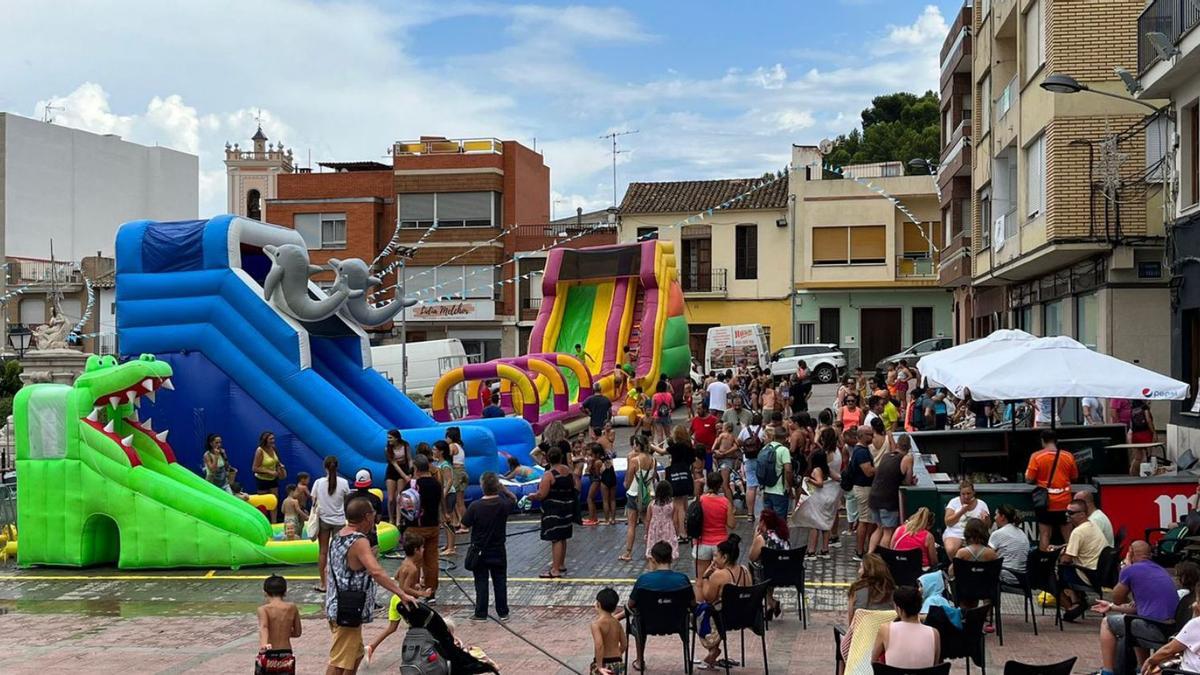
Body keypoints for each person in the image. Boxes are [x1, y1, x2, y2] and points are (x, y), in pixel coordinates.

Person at [325, 497, 418, 675]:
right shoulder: (359, 541)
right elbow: (376, 572)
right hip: (348, 609)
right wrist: (402, 594)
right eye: (374, 515)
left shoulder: (338, 537)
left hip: (337, 604)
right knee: (340, 661)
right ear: (367, 516)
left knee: (356, 654)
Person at [1095, 540, 1181, 675]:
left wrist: (1124, 567)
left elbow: (1117, 598)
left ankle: (1107, 671)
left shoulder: (1130, 569)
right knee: (1135, 622)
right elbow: (1139, 609)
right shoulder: (1160, 570)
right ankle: (1141, 669)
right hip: (1169, 627)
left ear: (1130, 552)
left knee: (1107, 623)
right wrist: (1111, 608)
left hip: (1154, 628)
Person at [365, 531, 433, 665]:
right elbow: (405, 589)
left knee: (392, 628)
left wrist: (415, 585)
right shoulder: (413, 568)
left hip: (394, 599)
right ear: (416, 550)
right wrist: (422, 593)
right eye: (422, 548)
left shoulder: (404, 563)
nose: (424, 550)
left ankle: (371, 647)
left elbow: (397, 577)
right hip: (404, 601)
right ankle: (417, 654)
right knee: (420, 627)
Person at [625, 542, 691, 671]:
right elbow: (692, 603)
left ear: (653, 560)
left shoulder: (643, 580)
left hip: (647, 624)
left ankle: (639, 661)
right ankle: (687, 657)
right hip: (677, 623)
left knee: (638, 620)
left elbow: (630, 605)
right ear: (671, 558)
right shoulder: (683, 579)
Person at [463, 471, 515, 622]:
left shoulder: (475, 506)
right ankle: (503, 612)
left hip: (480, 550)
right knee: (500, 581)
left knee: (481, 582)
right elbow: (513, 499)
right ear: (497, 486)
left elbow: (464, 523)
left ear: (482, 486)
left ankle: (481, 612)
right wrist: (505, 490)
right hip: (498, 549)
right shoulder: (503, 504)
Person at [697, 534, 751, 670]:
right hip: (744, 616)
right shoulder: (745, 571)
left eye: (716, 556)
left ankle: (712, 649)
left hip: (724, 618)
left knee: (701, 610)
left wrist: (705, 577)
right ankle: (713, 653)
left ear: (725, 557)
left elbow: (707, 597)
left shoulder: (719, 575)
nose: (713, 559)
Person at [1025, 430, 1079, 549]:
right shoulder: (1068, 456)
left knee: (1045, 535)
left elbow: (1029, 479)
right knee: (1068, 536)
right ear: (1056, 441)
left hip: (1045, 503)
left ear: (1042, 441)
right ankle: (1070, 563)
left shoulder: (1036, 456)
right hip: (1065, 502)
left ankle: (1044, 562)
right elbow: (1074, 477)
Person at [794, 428, 841, 558]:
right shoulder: (828, 467)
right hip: (829, 497)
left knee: (814, 525)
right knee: (825, 524)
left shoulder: (816, 470)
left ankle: (811, 551)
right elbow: (837, 477)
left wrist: (809, 480)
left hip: (818, 499)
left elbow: (819, 483)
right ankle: (825, 550)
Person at [1059, 498, 1109, 621]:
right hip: (1098, 573)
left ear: (1082, 514)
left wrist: (1060, 554)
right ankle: (1078, 599)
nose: (1067, 515)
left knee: (1054, 574)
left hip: (1087, 575)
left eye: (1071, 513)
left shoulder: (1078, 532)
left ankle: (1072, 607)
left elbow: (1066, 559)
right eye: (1067, 511)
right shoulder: (1092, 526)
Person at [535, 445, 580, 578]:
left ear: (548, 459)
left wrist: (533, 496)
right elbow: (577, 485)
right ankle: (560, 564)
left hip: (554, 510)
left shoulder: (549, 475)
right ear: (561, 457)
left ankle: (554, 569)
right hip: (567, 508)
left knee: (556, 539)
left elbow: (542, 494)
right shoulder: (568, 471)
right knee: (563, 536)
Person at [867, 433, 914, 554]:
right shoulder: (907, 458)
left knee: (879, 528)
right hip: (888, 499)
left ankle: (869, 554)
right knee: (888, 531)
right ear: (908, 447)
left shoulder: (886, 456)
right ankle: (883, 558)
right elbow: (908, 481)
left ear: (897, 444)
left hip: (874, 496)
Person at [311, 456, 351, 594]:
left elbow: (313, 500)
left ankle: (324, 583)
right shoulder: (344, 483)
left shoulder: (318, 483)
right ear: (337, 467)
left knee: (323, 551)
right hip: (339, 521)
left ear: (325, 467)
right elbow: (347, 500)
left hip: (324, 520)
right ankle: (339, 582)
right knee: (339, 553)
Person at [872, 585, 939, 668]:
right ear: (920, 607)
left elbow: (873, 662)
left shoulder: (886, 629)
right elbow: (935, 666)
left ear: (898, 609)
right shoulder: (934, 633)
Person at [408, 454, 443, 603]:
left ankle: (414, 592)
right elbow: (440, 502)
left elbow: (404, 503)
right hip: (433, 525)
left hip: (416, 526)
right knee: (431, 560)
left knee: (414, 561)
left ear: (416, 468)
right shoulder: (436, 484)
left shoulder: (414, 485)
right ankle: (431, 592)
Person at [620, 435, 658, 562]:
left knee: (632, 525)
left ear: (638, 445)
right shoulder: (653, 460)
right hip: (649, 494)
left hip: (634, 494)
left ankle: (628, 552)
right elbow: (652, 479)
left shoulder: (634, 461)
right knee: (648, 523)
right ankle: (650, 551)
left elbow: (628, 481)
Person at [654, 425, 695, 539]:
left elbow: (661, 452)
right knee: (685, 502)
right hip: (686, 475)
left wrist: (651, 446)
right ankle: (687, 528)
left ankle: (682, 532)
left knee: (678, 505)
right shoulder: (689, 447)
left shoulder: (677, 446)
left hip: (676, 476)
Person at [1141, 594, 1200, 674]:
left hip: (1187, 671)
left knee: (1154, 669)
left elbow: (1168, 650)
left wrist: (1149, 661)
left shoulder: (1196, 624)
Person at [749, 508, 790, 619]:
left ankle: (771, 603)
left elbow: (751, 557)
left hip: (768, 575)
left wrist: (755, 538)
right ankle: (770, 604)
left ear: (762, 523)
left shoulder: (762, 539)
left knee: (754, 567)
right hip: (787, 575)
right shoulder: (783, 536)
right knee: (769, 569)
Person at [694, 471, 735, 580]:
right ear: (720, 485)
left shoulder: (701, 500)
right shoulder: (725, 502)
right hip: (720, 543)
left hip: (702, 543)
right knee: (721, 578)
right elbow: (731, 524)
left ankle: (701, 597)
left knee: (700, 579)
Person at [257, 574, 301, 675]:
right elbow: (297, 633)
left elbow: (264, 627)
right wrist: (284, 632)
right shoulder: (292, 607)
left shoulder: (263, 609)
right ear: (285, 592)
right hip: (286, 653)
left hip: (269, 652)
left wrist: (264, 644)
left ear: (265, 592)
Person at [848, 425, 877, 561]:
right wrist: (881, 468)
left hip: (863, 488)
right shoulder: (861, 452)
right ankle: (860, 551)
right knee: (864, 521)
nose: (872, 437)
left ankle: (864, 548)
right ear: (861, 436)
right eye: (869, 435)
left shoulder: (862, 450)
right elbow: (868, 471)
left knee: (866, 520)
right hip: (863, 489)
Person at [942, 479, 991, 558]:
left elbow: (988, 526)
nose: (966, 496)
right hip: (955, 533)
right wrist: (961, 512)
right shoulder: (953, 502)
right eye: (963, 494)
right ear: (960, 494)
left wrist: (985, 520)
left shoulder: (982, 504)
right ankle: (956, 566)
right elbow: (948, 522)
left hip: (974, 535)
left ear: (973, 492)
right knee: (951, 549)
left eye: (968, 493)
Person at [847, 553, 897, 625]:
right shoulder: (893, 590)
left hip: (862, 635)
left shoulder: (856, 589)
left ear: (868, 571)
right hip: (887, 635)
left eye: (861, 567)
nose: (858, 571)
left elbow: (851, 622)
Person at [989, 505, 1031, 585]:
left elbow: (986, 556)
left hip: (1007, 577)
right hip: (1022, 578)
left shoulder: (998, 533)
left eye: (996, 514)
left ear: (1002, 517)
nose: (994, 518)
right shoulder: (1022, 533)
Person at [591, 588, 628, 675]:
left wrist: (599, 666)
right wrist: (618, 654)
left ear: (598, 604)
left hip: (603, 662)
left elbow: (599, 645)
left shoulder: (596, 625)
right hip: (617, 661)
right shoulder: (616, 623)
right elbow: (624, 644)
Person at [738, 412, 768, 518]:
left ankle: (750, 513)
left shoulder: (745, 430)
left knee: (751, 487)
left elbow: (739, 441)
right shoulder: (763, 430)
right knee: (764, 486)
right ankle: (765, 512)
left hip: (748, 459)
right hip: (761, 459)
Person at [252, 431, 287, 522]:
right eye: (271, 439)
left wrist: (280, 466)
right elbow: (255, 468)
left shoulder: (273, 448)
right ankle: (265, 522)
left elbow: (276, 461)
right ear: (265, 440)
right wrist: (269, 472)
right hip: (262, 480)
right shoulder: (260, 451)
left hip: (273, 479)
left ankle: (274, 523)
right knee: (264, 503)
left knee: (274, 501)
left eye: (273, 438)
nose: (273, 440)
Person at [760, 426, 793, 518]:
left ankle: (768, 533)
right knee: (780, 522)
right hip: (780, 491)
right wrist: (789, 486)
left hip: (766, 490)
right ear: (785, 437)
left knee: (768, 521)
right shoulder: (784, 450)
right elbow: (788, 470)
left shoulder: (765, 449)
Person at [431, 441, 458, 556]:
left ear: (441, 451)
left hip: (448, 495)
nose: (433, 451)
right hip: (444, 494)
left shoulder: (445, 465)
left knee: (448, 521)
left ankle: (451, 547)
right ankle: (449, 545)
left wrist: (443, 494)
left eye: (435, 449)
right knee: (445, 521)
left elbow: (450, 481)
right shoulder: (438, 464)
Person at [346, 469, 383, 552]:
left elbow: (346, 517)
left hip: (352, 538)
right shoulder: (375, 499)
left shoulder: (349, 498)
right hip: (371, 539)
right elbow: (378, 520)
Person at [645, 480, 678, 562]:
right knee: (668, 551)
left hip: (654, 530)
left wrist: (646, 533)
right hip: (668, 530)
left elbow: (647, 520)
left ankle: (653, 568)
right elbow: (675, 521)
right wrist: (676, 532)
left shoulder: (652, 504)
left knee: (653, 551)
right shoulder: (672, 505)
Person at [384, 429, 411, 526]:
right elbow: (394, 464)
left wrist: (410, 472)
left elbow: (409, 459)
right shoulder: (387, 449)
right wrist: (405, 476)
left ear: (396, 438)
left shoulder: (405, 445)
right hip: (392, 471)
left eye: (390, 438)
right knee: (391, 499)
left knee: (399, 496)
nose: (389, 440)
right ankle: (391, 518)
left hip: (403, 468)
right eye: (388, 438)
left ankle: (398, 520)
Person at [446, 427, 469, 535]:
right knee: (460, 500)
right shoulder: (460, 446)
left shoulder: (452, 446)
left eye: (446, 437)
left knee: (458, 500)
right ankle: (461, 522)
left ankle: (464, 524)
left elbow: (446, 456)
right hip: (462, 472)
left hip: (456, 472)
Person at [689, 403, 720, 474]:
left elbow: (718, 435)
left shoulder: (714, 420)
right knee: (697, 471)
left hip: (709, 451)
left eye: (699, 409)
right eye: (697, 409)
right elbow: (690, 433)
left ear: (705, 409)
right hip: (697, 451)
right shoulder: (695, 420)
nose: (697, 411)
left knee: (709, 470)